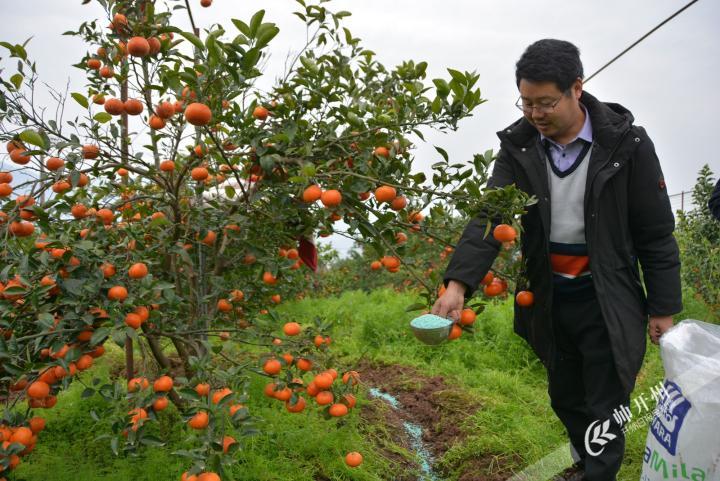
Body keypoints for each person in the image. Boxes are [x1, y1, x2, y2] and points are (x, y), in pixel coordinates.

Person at [432, 39, 682, 481]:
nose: (535, 114)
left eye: (545, 103)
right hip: (549, 295)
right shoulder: (521, 147)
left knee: (608, 402)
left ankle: (597, 472)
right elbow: (492, 216)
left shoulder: (626, 145)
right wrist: (458, 284)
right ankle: (587, 461)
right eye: (526, 103)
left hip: (607, 293)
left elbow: (655, 233)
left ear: (576, 89)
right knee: (565, 395)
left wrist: (663, 306)